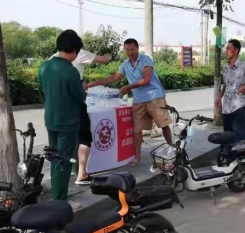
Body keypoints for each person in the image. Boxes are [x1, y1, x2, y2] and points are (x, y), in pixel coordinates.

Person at [88, 38, 172, 165]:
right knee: (137, 129)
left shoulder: (146, 60)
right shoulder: (125, 64)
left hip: (155, 97)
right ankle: (137, 158)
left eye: (132, 49)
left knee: (163, 125)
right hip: (138, 100)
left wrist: (128, 87)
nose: (129, 52)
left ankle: (172, 150)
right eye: (127, 50)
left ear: (137, 48)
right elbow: (114, 77)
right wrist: (93, 83)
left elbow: (146, 80)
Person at [51, 48, 112, 185]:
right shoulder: (79, 53)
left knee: (62, 140)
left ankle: (59, 177)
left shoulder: (51, 61)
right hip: (74, 102)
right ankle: (82, 174)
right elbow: (104, 60)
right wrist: (110, 54)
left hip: (56, 104)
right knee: (84, 136)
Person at [38, 30, 87, 200]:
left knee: (54, 158)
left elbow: (43, 87)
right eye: (77, 52)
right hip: (67, 122)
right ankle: (60, 201)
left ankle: (57, 193)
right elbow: (80, 96)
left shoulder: (45, 66)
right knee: (63, 161)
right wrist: (83, 88)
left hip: (50, 119)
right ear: (73, 49)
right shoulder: (70, 71)